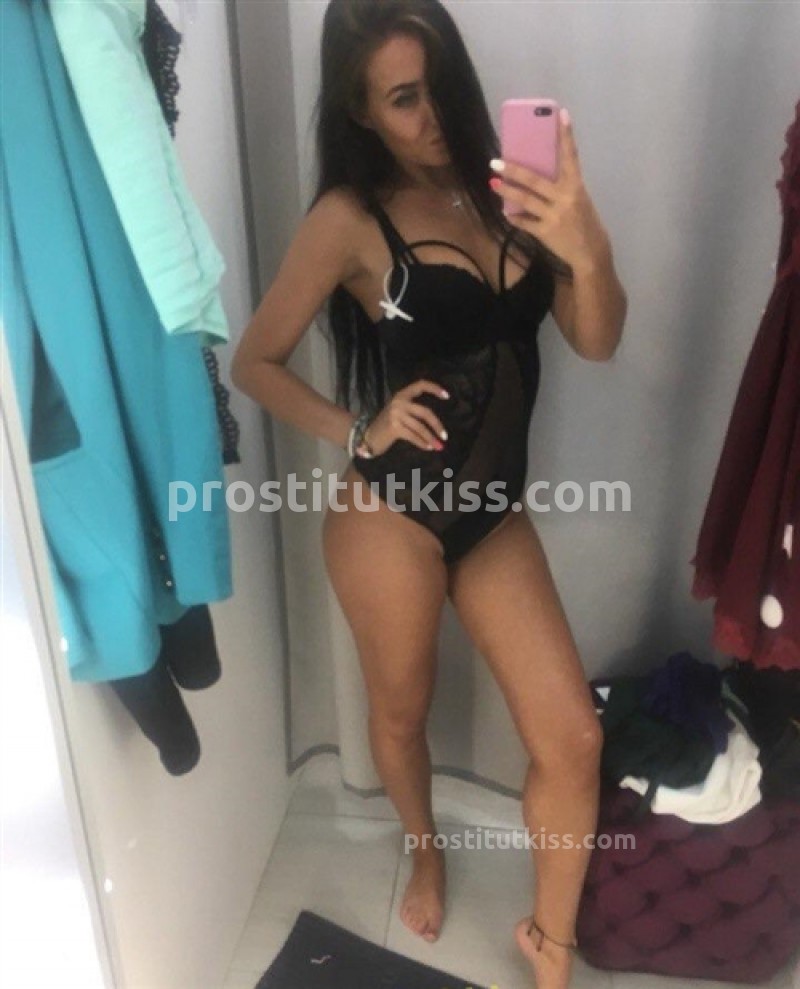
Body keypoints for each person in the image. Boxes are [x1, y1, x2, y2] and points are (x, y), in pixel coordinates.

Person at [232, 2, 627, 986]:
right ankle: (425, 846)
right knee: (401, 715)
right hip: (390, 518)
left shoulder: (513, 189)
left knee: (573, 737)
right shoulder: (348, 219)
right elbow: (254, 362)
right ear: (360, 112)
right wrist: (355, 428)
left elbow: (597, 339)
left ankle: (550, 948)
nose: (433, 116)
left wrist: (583, 238)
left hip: (490, 517)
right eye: (403, 98)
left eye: (438, 85)